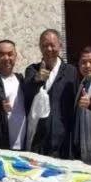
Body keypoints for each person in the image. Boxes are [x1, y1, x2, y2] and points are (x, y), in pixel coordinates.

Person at [23, 29, 78, 158]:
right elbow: (27, 93)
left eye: (52, 45)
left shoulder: (70, 71)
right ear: (40, 47)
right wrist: (39, 78)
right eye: (45, 45)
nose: (49, 49)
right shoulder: (32, 69)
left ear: (60, 46)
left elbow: (74, 102)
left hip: (63, 137)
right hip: (38, 135)